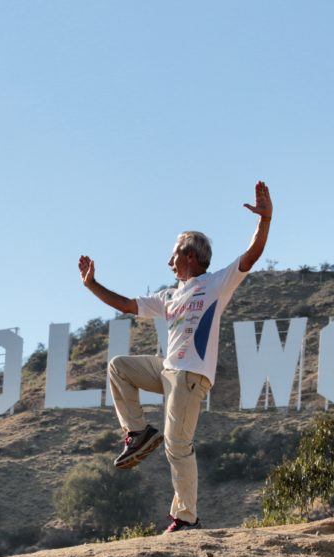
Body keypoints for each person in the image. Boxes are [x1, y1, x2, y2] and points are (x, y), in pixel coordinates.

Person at [77, 181, 272, 533]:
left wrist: (265, 220)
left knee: (178, 444)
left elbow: (251, 256)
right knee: (119, 367)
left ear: (191, 255)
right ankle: (137, 432)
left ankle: (187, 519)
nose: (169, 261)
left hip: (190, 374)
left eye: (174, 254)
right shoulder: (168, 296)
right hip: (167, 368)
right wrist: (92, 284)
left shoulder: (215, 284)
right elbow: (126, 305)